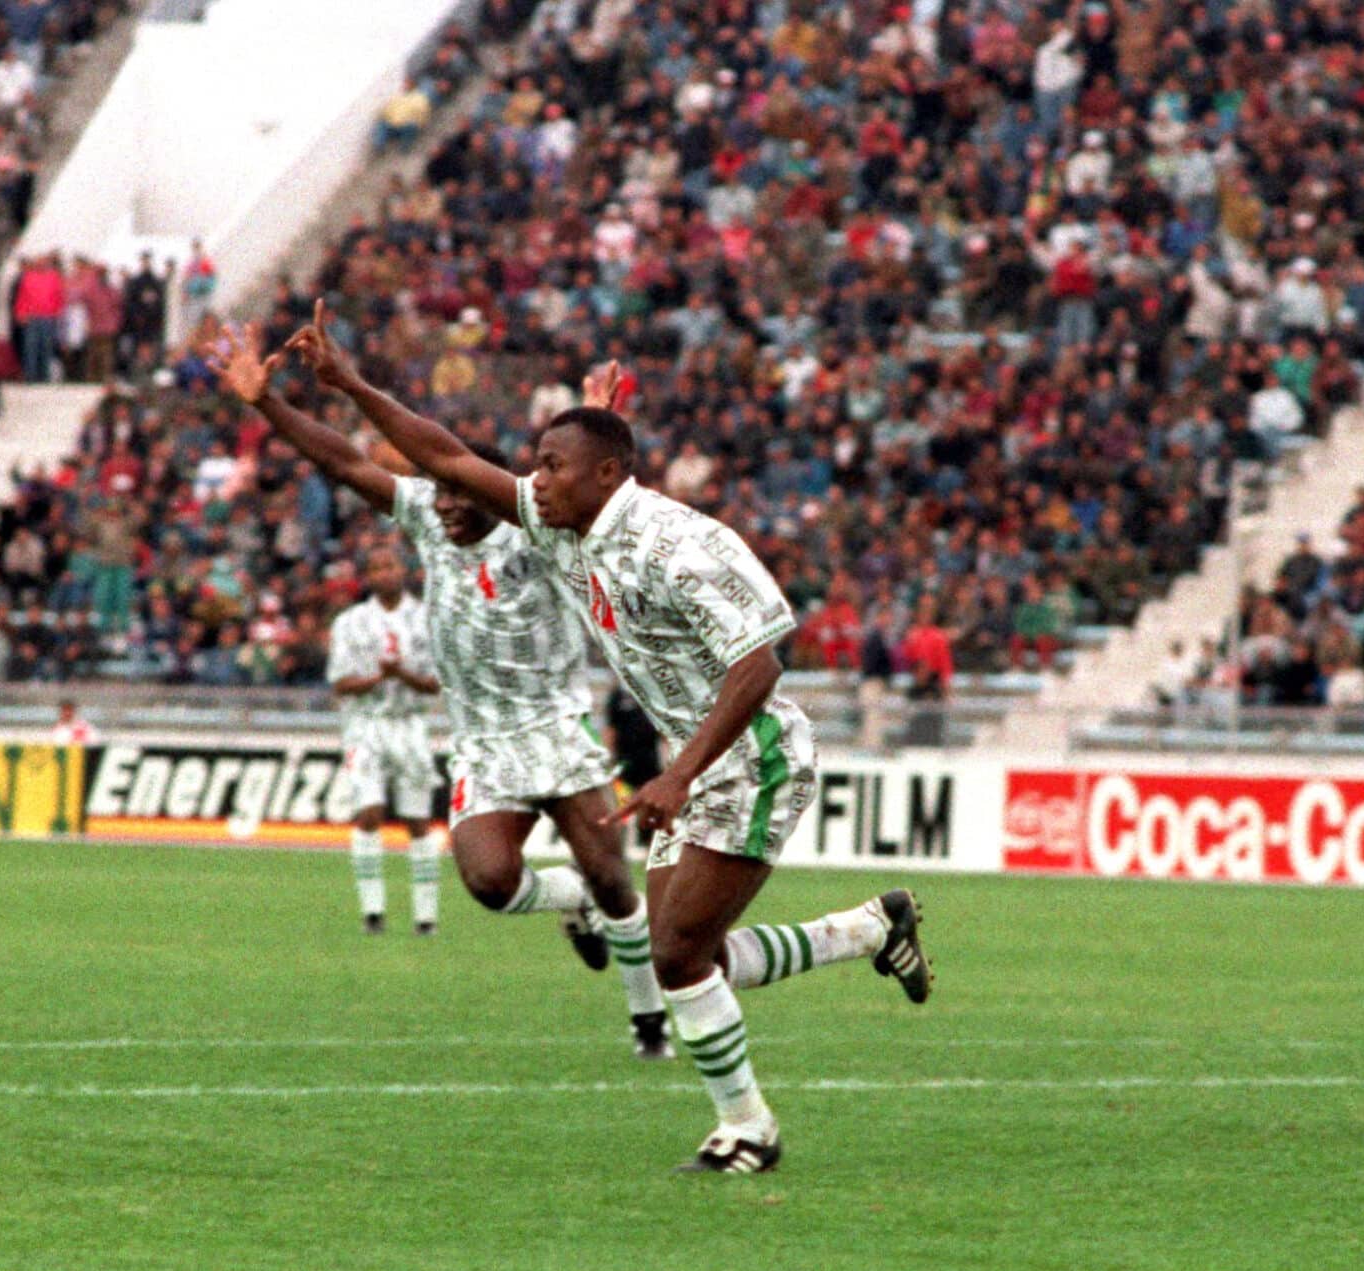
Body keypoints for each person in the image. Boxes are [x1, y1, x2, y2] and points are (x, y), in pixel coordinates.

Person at [290, 306, 932, 1173]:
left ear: (609, 472)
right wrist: (349, 383)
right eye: (537, 466)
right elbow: (445, 458)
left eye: (553, 466)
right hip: (691, 761)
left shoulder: (679, 543)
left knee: (674, 955)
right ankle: (867, 930)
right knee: (692, 953)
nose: (536, 481)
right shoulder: (564, 526)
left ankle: (749, 1130)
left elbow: (759, 669)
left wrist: (679, 776)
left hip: (756, 756)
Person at [203, 324, 671, 1057]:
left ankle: (648, 1021)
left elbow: (598, 495)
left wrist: (608, 429)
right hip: (482, 739)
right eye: (440, 496)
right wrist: (269, 406)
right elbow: (343, 459)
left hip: (557, 724)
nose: (445, 506)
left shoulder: (538, 524)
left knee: (617, 882)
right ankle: (569, 899)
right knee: (489, 881)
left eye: (460, 494)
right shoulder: (424, 514)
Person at [326, 544, 444, 936]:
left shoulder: (427, 619)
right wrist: (379, 678)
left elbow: (436, 684)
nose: (384, 573)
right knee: (370, 813)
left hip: (409, 725)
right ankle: (373, 912)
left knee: (417, 819)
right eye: (375, 568)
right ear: (368, 577)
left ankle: (425, 917)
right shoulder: (351, 622)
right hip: (366, 726)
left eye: (389, 565)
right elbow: (340, 683)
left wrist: (402, 675)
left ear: (403, 570)